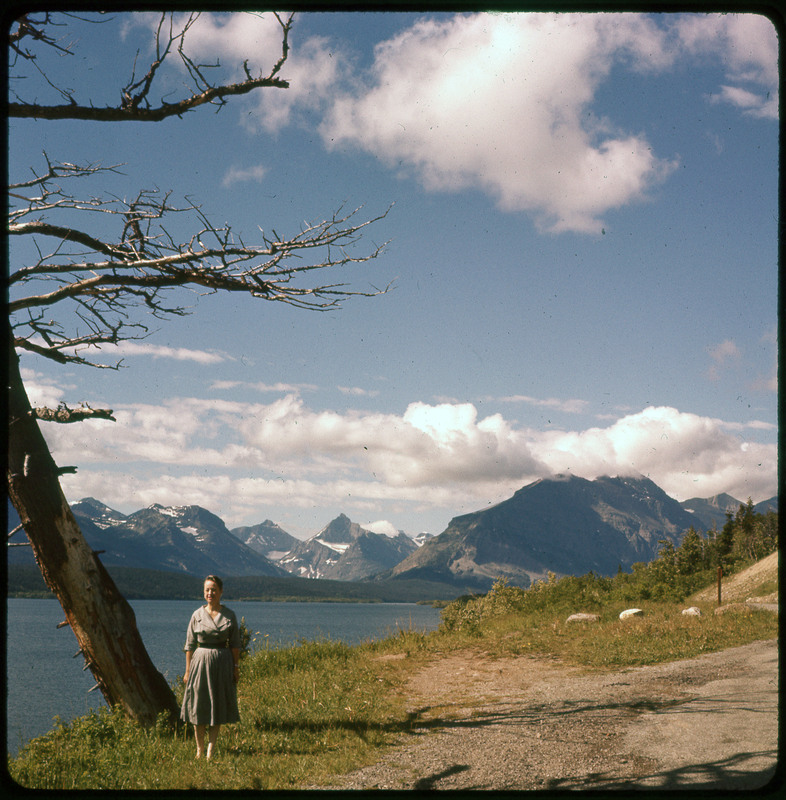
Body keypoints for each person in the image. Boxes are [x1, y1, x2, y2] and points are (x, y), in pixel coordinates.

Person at [180, 575, 241, 759]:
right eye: (207, 589)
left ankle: (210, 750)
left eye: (214, 589)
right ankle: (199, 750)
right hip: (199, 663)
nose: (210, 593)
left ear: (221, 592)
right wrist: (188, 671)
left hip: (223, 663)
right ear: (203, 592)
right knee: (199, 705)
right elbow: (189, 645)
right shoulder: (197, 615)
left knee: (218, 704)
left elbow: (235, 644)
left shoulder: (229, 615)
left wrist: (235, 667)